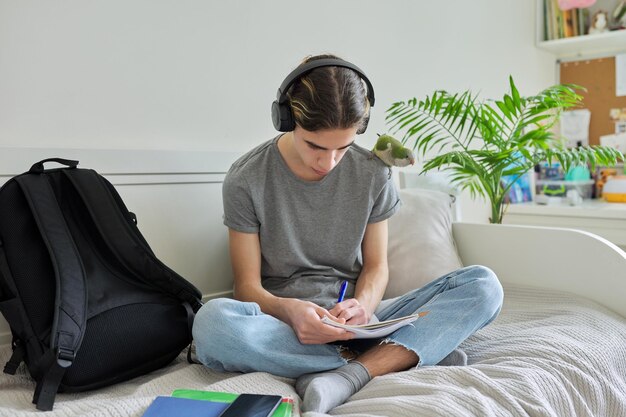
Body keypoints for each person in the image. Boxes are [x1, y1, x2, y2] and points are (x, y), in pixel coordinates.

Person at [192, 54, 504, 413]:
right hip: (285, 324)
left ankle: (349, 374)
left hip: (363, 320)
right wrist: (291, 311)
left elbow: (376, 267)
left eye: (342, 148)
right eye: (315, 146)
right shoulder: (246, 178)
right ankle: (401, 354)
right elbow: (246, 287)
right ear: (286, 119)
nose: (328, 163)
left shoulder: (373, 173)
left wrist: (364, 307)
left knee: (484, 285)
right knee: (212, 325)